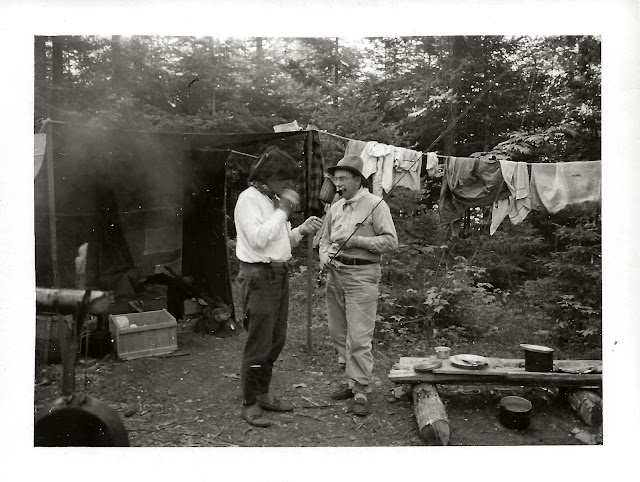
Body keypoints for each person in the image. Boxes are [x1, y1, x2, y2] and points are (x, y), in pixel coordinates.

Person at [234, 146, 323, 427]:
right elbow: (260, 240)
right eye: (282, 179)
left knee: (276, 340)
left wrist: (300, 229)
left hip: (277, 275)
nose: (286, 185)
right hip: (258, 277)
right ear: (268, 175)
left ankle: (263, 394)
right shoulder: (248, 200)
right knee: (259, 343)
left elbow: (280, 242)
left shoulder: (269, 199)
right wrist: (284, 211)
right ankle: (250, 401)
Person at [319, 155, 398, 417]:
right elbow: (324, 241)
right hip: (335, 275)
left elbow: (390, 242)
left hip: (362, 277)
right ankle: (351, 381)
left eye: (343, 178)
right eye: (336, 178)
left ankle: (362, 389)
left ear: (357, 179)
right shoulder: (335, 207)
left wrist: (356, 243)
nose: (338, 183)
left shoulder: (376, 205)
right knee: (338, 333)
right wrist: (324, 257)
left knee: (359, 338)